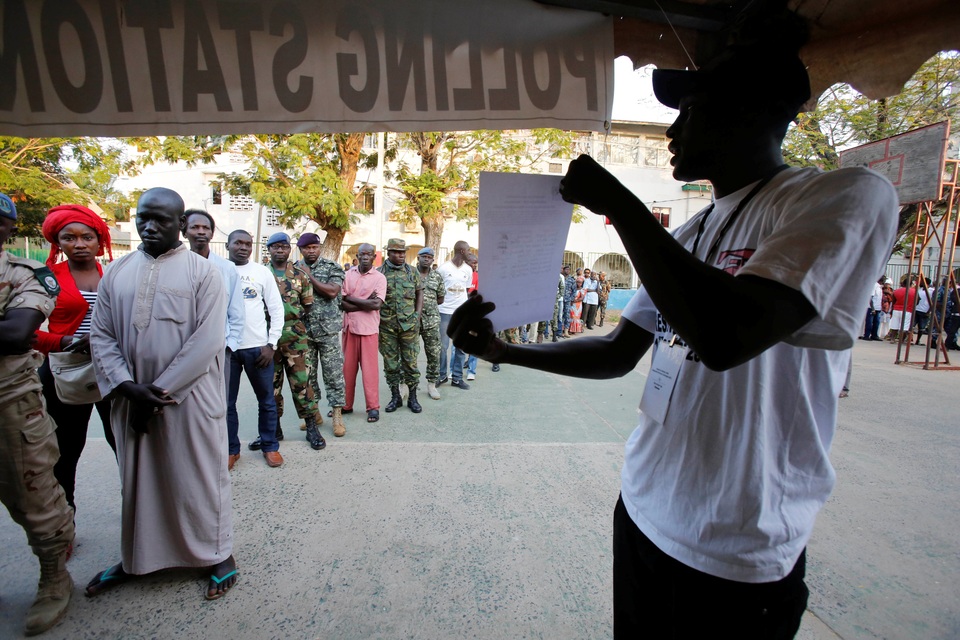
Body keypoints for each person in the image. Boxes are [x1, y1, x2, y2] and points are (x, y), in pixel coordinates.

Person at [449, 34, 897, 638]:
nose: (672, 131)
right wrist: (504, 350)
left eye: (692, 108)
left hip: (735, 549)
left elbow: (724, 337)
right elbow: (616, 351)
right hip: (643, 510)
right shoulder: (687, 235)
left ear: (758, 110)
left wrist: (622, 208)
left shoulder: (841, 197)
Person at [87, 187, 238, 601]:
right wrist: (125, 387)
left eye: (161, 220)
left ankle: (218, 553)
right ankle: (137, 557)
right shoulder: (116, 271)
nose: (149, 227)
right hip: (130, 397)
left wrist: (158, 392)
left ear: (181, 226)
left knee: (200, 478)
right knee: (138, 479)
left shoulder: (202, 272)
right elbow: (100, 334)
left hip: (188, 400)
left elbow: (207, 341)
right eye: (142, 218)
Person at [0, 193, 76, 636]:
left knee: (35, 496)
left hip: (11, 402)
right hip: (53, 368)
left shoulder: (24, 274)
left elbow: (16, 333)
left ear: (10, 227)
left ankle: (53, 578)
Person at [34, 205, 116, 516]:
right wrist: (66, 341)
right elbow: (28, 334)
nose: (79, 244)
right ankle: (64, 519)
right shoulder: (47, 279)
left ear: (99, 241)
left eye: (87, 237)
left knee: (125, 444)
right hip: (64, 372)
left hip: (110, 369)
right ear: (59, 242)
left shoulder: (113, 274)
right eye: (70, 238)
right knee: (65, 450)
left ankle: (139, 517)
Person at [253, 232, 325, 451]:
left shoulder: (300, 274)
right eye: (275, 247)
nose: (280, 250)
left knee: (302, 385)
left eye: (284, 246)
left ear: (289, 249)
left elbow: (308, 304)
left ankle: (312, 428)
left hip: (295, 339)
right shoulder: (260, 273)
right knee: (269, 388)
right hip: (267, 341)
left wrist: (292, 318)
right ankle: (273, 430)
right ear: (269, 250)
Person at [226, 229, 285, 469]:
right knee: (227, 404)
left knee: (267, 401)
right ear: (228, 245)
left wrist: (271, 344)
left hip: (258, 350)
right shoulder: (218, 270)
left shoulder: (261, 273)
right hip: (227, 350)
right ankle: (231, 450)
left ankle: (270, 446)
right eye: (237, 243)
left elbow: (276, 309)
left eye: (247, 244)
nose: (242, 247)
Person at [182, 209, 245, 381]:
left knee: (217, 403)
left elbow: (236, 310)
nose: (201, 231)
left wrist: (229, 346)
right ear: (184, 232)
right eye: (195, 227)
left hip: (218, 349)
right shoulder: (177, 266)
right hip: (181, 349)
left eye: (206, 228)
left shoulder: (226, 268)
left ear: (211, 233)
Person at [296, 233, 347, 438]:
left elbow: (332, 292)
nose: (311, 250)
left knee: (333, 374)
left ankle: (337, 415)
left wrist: (309, 276)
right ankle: (315, 413)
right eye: (307, 247)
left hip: (328, 330)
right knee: (307, 376)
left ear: (319, 248)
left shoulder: (332, 267)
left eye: (314, 247)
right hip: (304, 331)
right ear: (300, 249)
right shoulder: (293, 269)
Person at [341, 243, 387, 423]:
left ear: (374, 257)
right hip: (350, 328)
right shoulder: (347, 275)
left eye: (369, 254)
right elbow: (341, 303)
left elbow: (376, 305)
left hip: (368, 330)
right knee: (347, 370)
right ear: (357, 256)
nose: (365, 257)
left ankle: (373, 407)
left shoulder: (379, 278)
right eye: (362, 254)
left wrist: (351, 300)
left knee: (370, 371)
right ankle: (346, 405)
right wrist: (363, 302)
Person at [378, 238, 424, 413]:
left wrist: (417, 315)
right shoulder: (379, 272)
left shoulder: (412, 272)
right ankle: (395, 396)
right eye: (396, 252)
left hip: (409, 327)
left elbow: (419, 292)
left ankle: (413, 397)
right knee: (390, 364)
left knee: (410, 363)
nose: (400, 255)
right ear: (388, 253)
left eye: (403, 252)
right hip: (387, 326)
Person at [436, 240, 472, 389]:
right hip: (445, 312)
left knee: (461, 347)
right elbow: (437, 289)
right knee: (443, 347)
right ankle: (442, 375)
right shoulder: (443, 268)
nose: (470, 253)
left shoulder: (468, 270)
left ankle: (457, 378)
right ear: (462, 251)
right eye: (468, 250)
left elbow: (467, 290)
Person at [416, 247, 445, 400]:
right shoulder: (410, 274)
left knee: (434, 354)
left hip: (432, 321)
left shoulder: (437, 276)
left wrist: (428, 307)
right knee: (408, 355)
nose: (427, 259)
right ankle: (406, 385)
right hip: (412, 322)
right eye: (424, 256)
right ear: (418, 258)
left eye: (430, 257)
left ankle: (432, 384)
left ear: (433, 260)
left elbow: (440, 298)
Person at [561, 265, 576, 338]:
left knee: (567, 315)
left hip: (567, 300)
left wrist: (572, 299)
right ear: (563, 270)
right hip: (560, 299)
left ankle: (566, 331)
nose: (567, 271)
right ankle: (559, 330)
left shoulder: (572, 279)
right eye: (566, 269)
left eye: (568, 270)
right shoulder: (560, 278)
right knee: (559, 315)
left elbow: (574, 291)